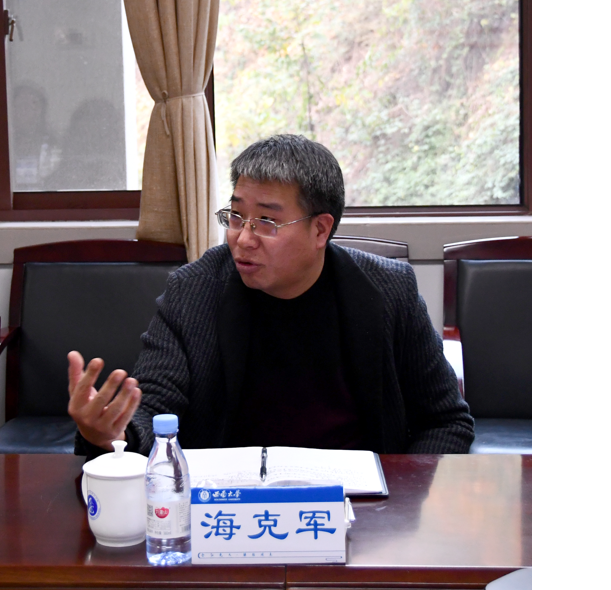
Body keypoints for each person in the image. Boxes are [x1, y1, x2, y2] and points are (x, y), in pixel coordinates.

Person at [67, 134, 474, 458]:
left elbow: (445, 421)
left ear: (320, 229)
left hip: (358, 504)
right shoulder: (194, 289)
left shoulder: (388, 291)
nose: (243, 239)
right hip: (228, 500)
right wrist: (111, 434)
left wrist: (399, 499)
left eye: (266, 221)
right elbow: (154, 407)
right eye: (236, 216)